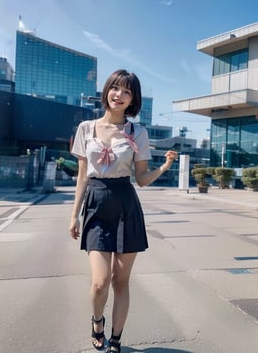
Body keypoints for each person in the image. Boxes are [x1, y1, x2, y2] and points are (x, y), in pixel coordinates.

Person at [69, 69, 178, 352]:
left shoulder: (137, 133)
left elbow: (140, 179)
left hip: (125, 203)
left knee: (120, 281)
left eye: (127, 91)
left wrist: (164, 168)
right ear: (107, 91)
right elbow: (82, 175)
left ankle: (116, 339)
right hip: (95, 201)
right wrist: (74, 215)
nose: (119, 95)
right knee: (99, 282)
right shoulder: (86, 128)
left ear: (133, 100)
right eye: (115, 88)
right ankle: (97, 322)